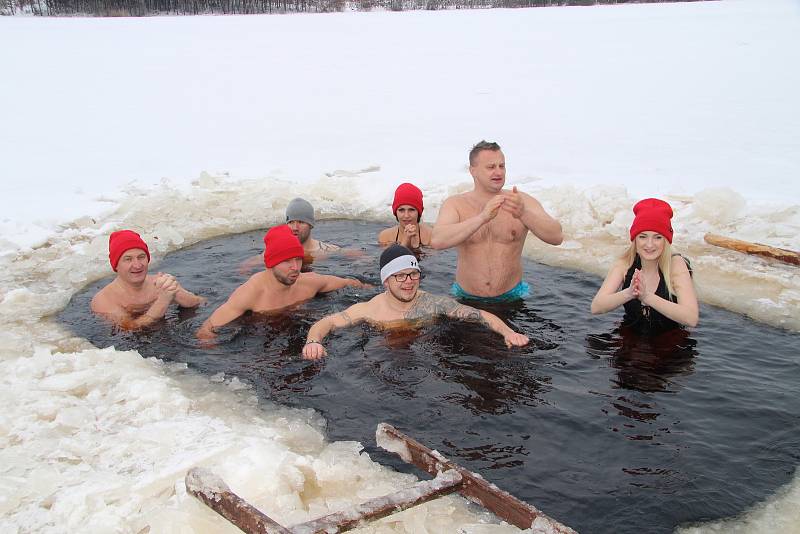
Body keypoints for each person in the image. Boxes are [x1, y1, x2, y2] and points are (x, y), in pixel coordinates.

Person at [302, 244, 529, 359]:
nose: (408, 282)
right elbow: (326, 323)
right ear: (386, 281)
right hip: (384, 353)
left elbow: (479, 314)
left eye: (413, 274)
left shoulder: (432, 303)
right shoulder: (369, 310)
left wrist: (507, 332)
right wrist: (314, 342)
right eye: (400, 276)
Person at [431, 140, 563, 301]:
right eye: (491, 167)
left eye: (502, 166)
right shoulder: (456, 204)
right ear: (473, 170)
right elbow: (437, 241)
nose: (498, 172)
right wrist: (482, 217)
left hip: (512, 297)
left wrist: (523, 213)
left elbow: (556, 237)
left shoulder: (520, 201)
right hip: (466, 298)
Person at [199, 225, 367, 339]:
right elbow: (206, 330)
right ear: (271, 263)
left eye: (298, 259)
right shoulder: (250, 293)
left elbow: (349, 283)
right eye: (287, 261)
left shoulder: (308, 282)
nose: (295, 267)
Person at [590, 198, 699, 331]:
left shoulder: (676, 264)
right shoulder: (625, 263)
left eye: (658, 237)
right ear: (635, 239)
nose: (649, 244)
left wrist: (646, 296)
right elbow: (596, 307)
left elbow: (691, 318)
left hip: (670, 342)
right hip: (630, 337)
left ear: (666, 240)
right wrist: (629, 293)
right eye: (643, 236)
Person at [91, 230, 203, 329]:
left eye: (141, 257)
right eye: (128, 259)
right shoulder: (104, 300)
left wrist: (175, 291)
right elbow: (129, 329)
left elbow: (201, 303)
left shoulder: (159, 282)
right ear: (116, 265)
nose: (137, 265)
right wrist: (163, 301)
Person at [239, 197, 339, 274]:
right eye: (291, 222)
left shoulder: (326, 250)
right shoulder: (278, 250)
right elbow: (246, 266)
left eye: (301, 222)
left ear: (311, 224)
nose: (295, 227)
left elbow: (352, 254)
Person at [378, 182, 433, 249]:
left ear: (419, 212)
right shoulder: (386, 237)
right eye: (401, 210)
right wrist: (405, 241)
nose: (406, 215)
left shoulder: (431, 236)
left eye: (411, 210)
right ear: (395, 212)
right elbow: (389, 259)